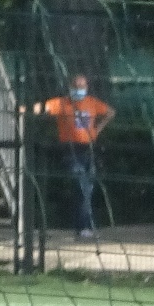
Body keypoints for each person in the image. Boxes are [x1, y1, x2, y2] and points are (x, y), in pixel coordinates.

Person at [34, 74, 114, 240]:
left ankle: (84, 226)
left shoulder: (92, 102)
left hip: (89, 149)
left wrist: (97, 129)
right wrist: (26, 109)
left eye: (82, 87)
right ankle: (84, 226)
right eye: (76, 87)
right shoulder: (63, 103)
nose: (79, 90)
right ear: (70, 87)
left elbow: (110, 112)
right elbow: (44, 107)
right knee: (81, 184)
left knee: (87, 188)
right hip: (71, 150)